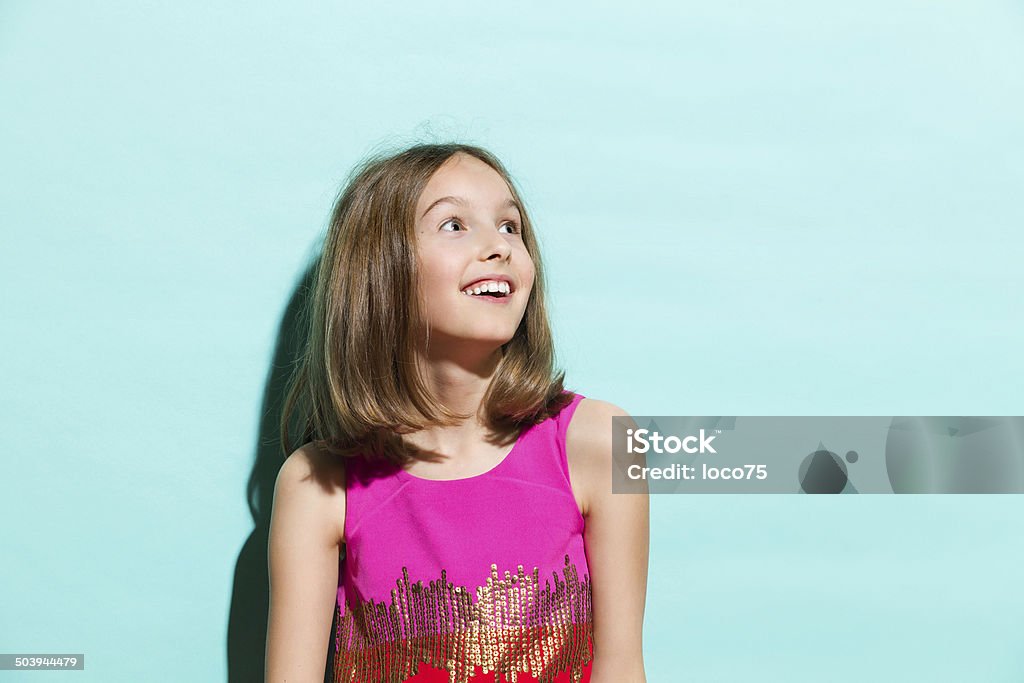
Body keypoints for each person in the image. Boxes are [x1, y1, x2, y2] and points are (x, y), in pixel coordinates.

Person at [265, 142, 649, 683]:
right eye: (453, 225)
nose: (498, 246)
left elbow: (622, 667)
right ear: (382, 271)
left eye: (511, 226)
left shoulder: (603, 442)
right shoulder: (316, 485)